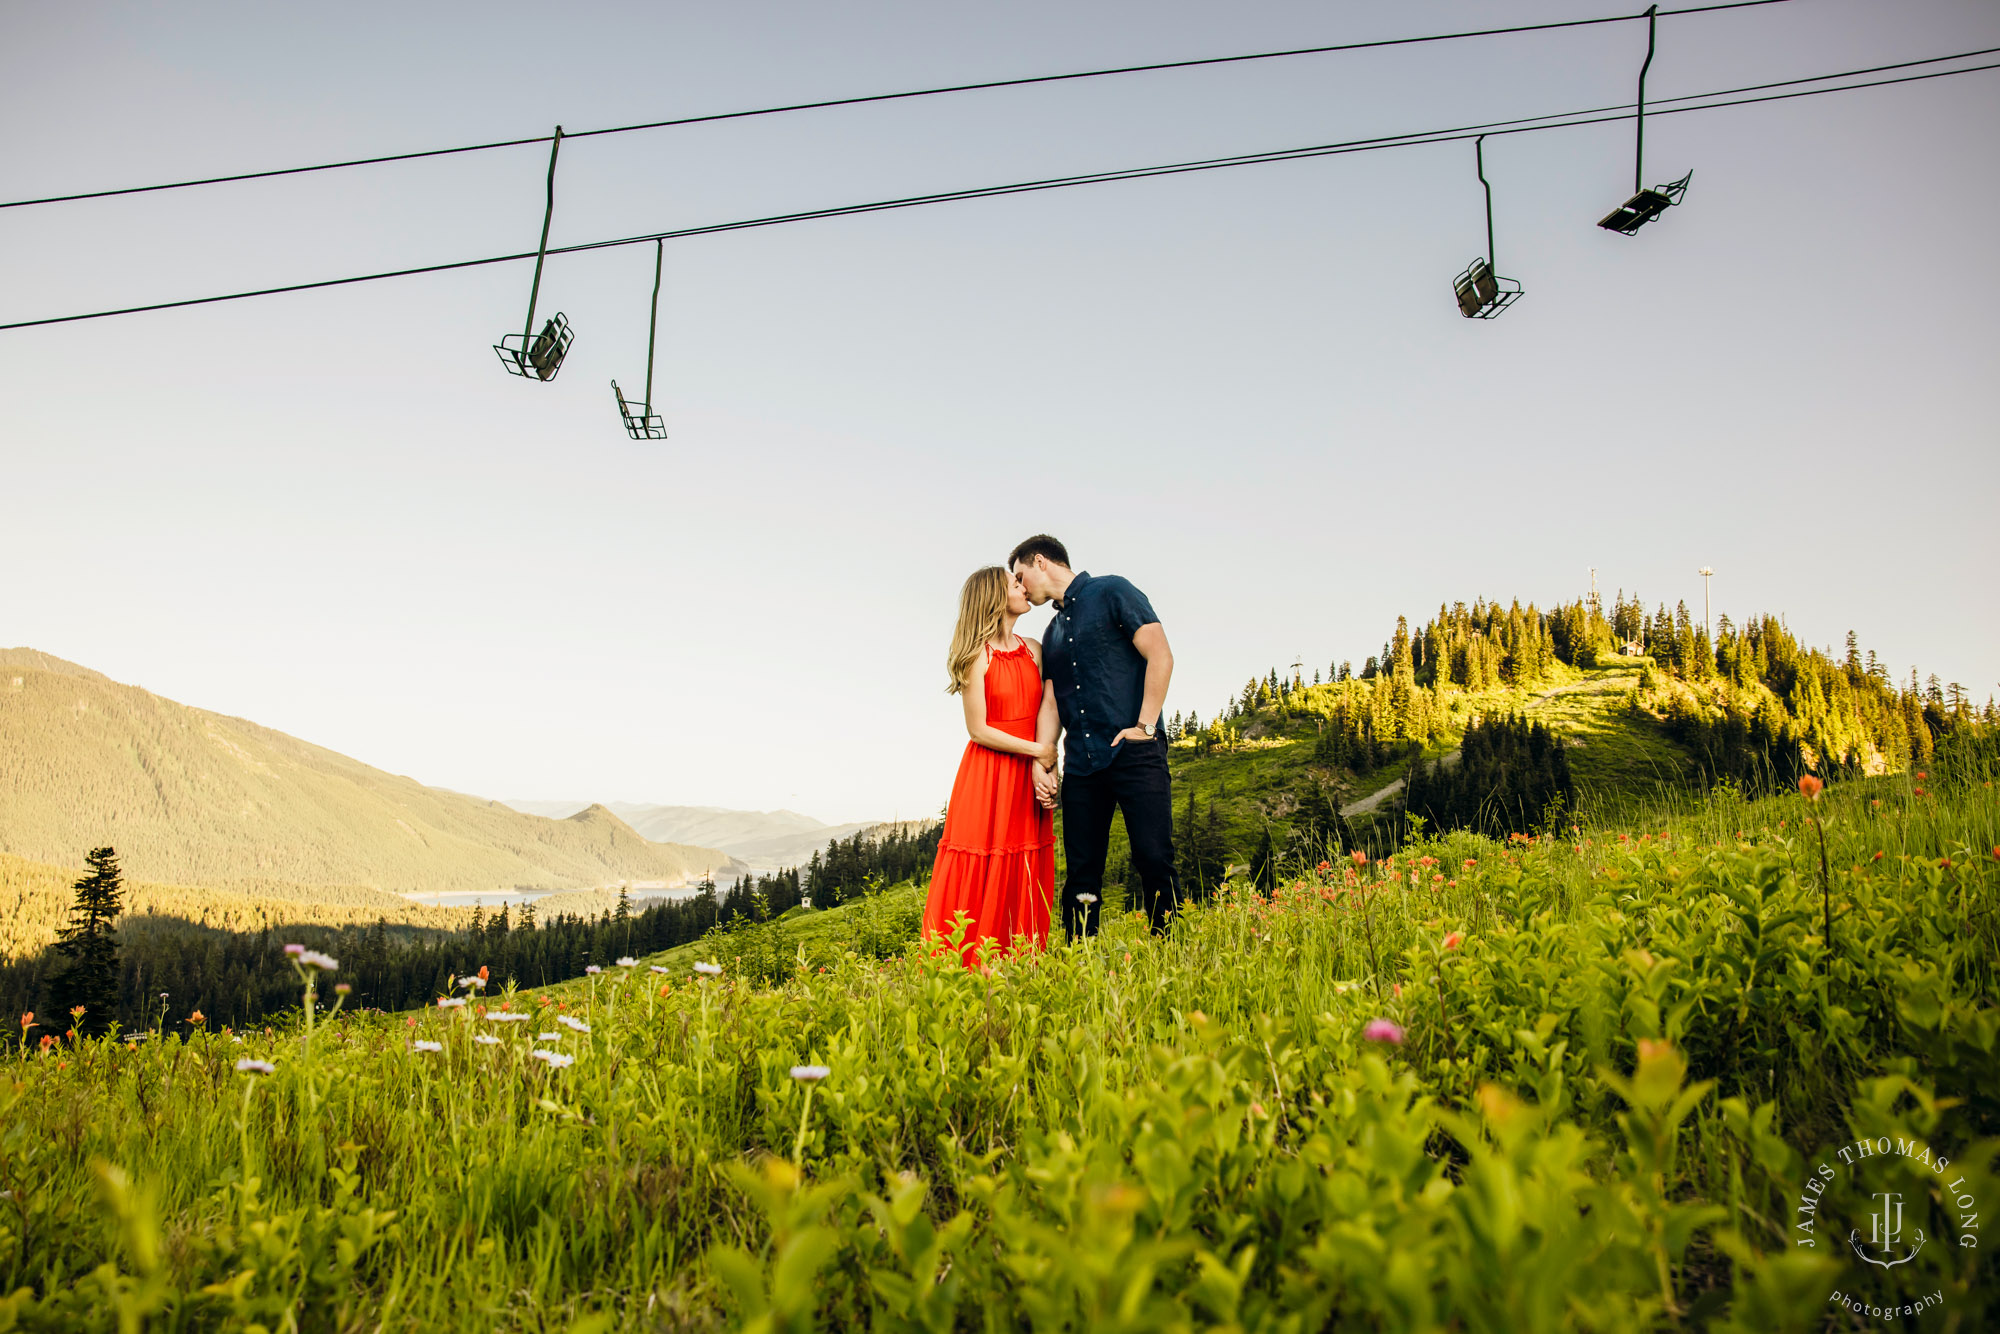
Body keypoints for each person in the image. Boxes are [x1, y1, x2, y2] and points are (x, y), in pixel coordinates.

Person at [1010, 535, 1178, 936]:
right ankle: (1079, 963)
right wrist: (1045, 759)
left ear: (1040, 561)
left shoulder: (1112, 591)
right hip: (1083, 766)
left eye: (1020, 575)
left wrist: (1145, 726)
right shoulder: (1050, 634)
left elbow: (1160, 653)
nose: (1019, 586)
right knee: (1082, 874)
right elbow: (1050, 704)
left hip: (1136, 753)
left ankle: (1169, 948)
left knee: (1154, 857)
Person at [920, 566, 1060, 966]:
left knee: (1024, 859)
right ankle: (966, 966)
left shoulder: (1034, 648)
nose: (1023, 586)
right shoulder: (975, 657)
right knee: (982, 859)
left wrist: (1046, 759)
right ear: (994, 598)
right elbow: (978, 729)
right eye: (1013, 583)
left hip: (1027, 768)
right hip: (989, 773)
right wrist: (1037, 751)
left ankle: (1021, 962)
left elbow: (1047, 708)